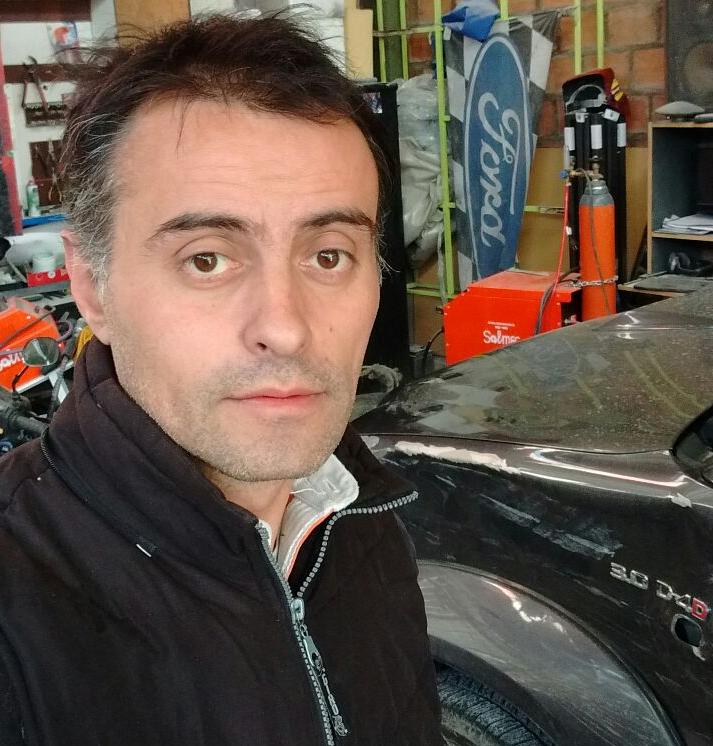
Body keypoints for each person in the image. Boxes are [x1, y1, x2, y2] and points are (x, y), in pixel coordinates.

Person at [0, 13, 443, 746]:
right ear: (91, 286)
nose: (286, 328)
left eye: (328, 255)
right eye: (207, 259)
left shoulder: (360, 522)